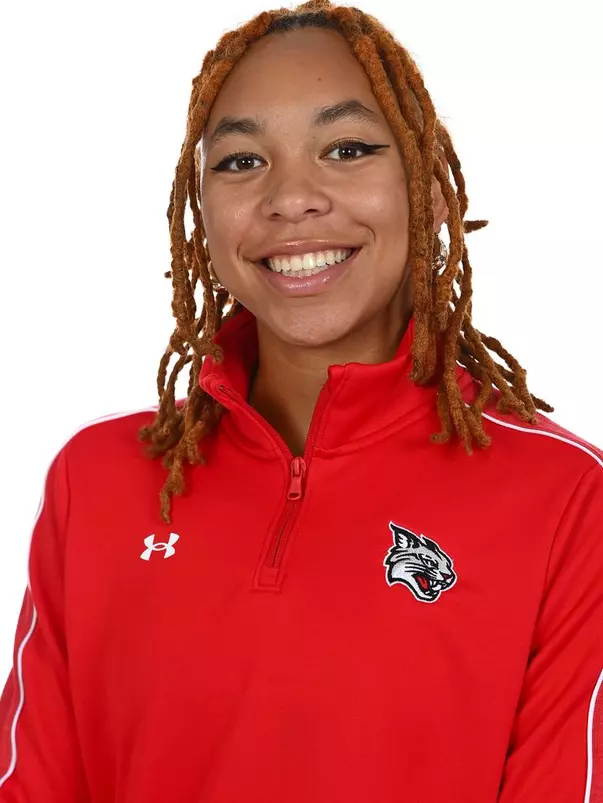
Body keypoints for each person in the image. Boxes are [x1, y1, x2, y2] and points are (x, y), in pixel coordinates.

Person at [1, 0, 601, 800]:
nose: (291, 197)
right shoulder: (96, 481)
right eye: (242, 162)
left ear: (422, 183)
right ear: (200, 211)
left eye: (346, 148)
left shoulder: (566, 499)